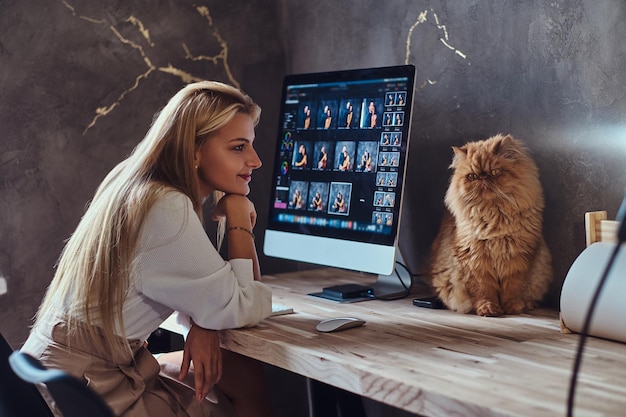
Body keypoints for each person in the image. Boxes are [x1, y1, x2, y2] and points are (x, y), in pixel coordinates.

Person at [21, 81, 274, 417]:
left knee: (237, 374)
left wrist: (206, 320)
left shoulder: (134, 184)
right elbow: (241, 305)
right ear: (194, 151)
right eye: (238, 147)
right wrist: (240, 220)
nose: (255, 161)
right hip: (88, 392)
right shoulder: (166, 207)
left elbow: (204, 292)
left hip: (56, 374)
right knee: (241, 379)